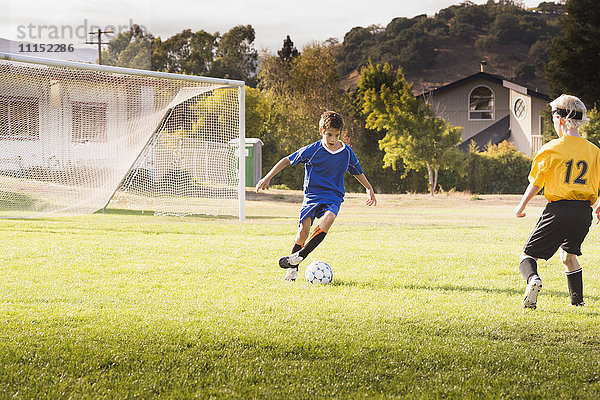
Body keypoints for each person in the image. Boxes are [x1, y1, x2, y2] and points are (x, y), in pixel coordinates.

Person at [255, 110, 377, 281]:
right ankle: (292, 270)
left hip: (333, 196)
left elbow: (357, 171)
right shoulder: (312, 150)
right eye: (329, 135)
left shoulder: (346, 152)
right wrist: (267, 177)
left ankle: (300, 256)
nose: (333, 139)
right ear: (321, 132)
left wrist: (369, 188)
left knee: (329, 218)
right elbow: (286, 160)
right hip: (312, 196)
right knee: (303, 232)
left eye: (336, 135)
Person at [514, 94, 600, 309]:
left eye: (553, 117)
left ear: (560, 119)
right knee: (568, 256)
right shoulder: (594, 150)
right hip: (583, 213)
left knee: (528, 254)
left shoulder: (551, 148)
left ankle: (533, 279)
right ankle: (577, 302)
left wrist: (521, 205)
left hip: (559, 209)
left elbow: (536, 182)